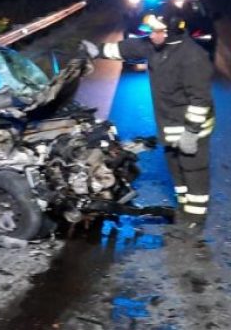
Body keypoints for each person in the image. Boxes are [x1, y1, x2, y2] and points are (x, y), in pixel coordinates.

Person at [83, 14, 215, 231]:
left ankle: (195, 218)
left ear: (172, 32)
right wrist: (98, 50)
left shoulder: (193, 57)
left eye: (157, 32)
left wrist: (191, 132)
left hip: (193, 128)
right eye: (152, 31)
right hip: (170, 124)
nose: (152, 36)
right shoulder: (156, 46)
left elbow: (200, 100)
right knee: (175, 167)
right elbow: (129, 48)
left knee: (194, 170)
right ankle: (184, 206)